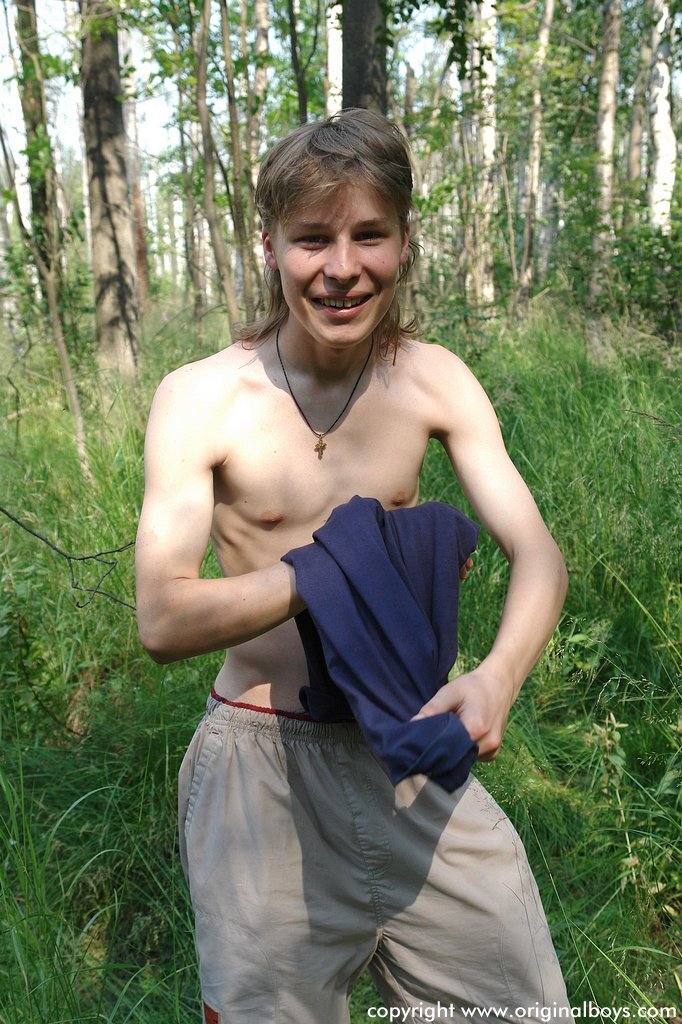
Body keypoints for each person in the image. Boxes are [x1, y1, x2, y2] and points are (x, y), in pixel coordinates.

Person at [135, 109, 572, 1024]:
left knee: (520, 1005)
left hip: (409, 750)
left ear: (405, 241)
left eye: (369, 234)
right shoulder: (201, 399)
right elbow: (163, 619)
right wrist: (326, 574)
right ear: (269, 245)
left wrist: (497, 679)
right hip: (260, 774)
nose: (342, 267)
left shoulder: (435, 380)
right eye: (312, 239)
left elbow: (537, 553)